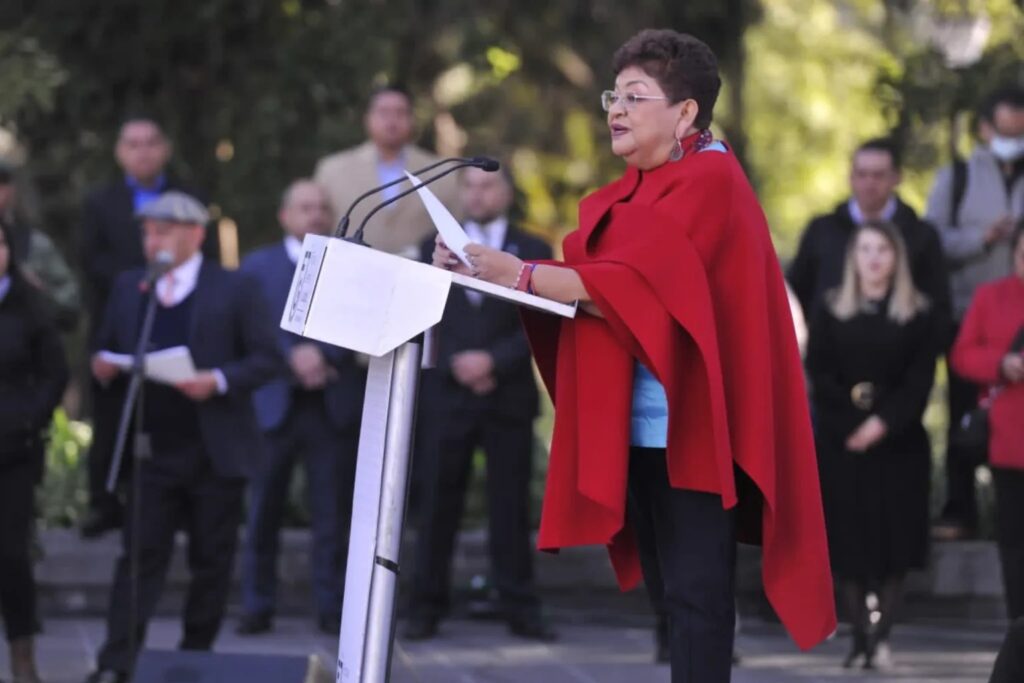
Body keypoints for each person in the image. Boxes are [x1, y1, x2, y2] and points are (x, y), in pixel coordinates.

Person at [433, 29, 836, 681]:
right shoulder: (641, 187)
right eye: (613, 97)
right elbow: (605, 292)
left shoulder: (712, 178)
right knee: (670, 599)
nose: (616, 110)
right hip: (641, 426)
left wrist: (521, 274)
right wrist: (486, 269)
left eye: (635, 97)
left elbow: (638, 289)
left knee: (698, 597)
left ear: (685, 112)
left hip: (697, 426)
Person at [84, 191, 279, 683]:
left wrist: (218, 380)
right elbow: (108, 344)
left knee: (211, 561)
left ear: (195, 234)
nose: (153, 241)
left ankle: (195, 656)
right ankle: (117, 662)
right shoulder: (132, 286)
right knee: (138, 558)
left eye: (164, 231)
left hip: (214, 451)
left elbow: (267, 358)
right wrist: (104, 366)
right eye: (147, 232)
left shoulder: (235, 286)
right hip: (151, 448)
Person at [403, 166, 555, 642]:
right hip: (446, 397)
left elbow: (542, 317)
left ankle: (520, 607)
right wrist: (456, 362)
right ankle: (426, 607)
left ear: (506, 193)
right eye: (469, 186)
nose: (477, 194)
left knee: (509, 507)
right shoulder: (432, 246)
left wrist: (494, 361)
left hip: (507, 395)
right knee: (436, 505)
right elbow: (422, 311)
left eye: (487, 185)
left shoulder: (533, 247)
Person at [79, 116, 219, 539]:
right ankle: (105, 503)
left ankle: (182, 507)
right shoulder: (100, 201)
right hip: (120, 319)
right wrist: (142, 281)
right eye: (133, 143)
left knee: (175, 411)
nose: (143, 151)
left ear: (165, 149)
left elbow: (210, 258)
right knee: (111, 415)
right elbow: (90, 260)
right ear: (120, 152)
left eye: (151, 142)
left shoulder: (192, 197)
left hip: (181, 318)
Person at [806, 221, 937, 670]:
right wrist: (852, 427)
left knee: (894, 543)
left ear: (896, 257)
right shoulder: (830, 309)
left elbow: (919, 380)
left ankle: (882, 636)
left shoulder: (919, 313)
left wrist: (881, 424)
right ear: (853, 257)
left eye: (882, 249)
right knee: (849, 542)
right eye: (865, 249)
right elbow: (819, 373)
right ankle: (859, 634)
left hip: (899, 444)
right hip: (842, 444)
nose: (874, 258)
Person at [236, 180, 365, 636]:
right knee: (261, 513)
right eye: (305, 207)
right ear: (284, 216)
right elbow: (249, 329)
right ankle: (256, 605)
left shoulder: (351, 264)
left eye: (322, 207)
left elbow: (360, 320)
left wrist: (322, 354)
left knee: (332, 515)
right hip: (273, 404)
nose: (315, 214)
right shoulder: (256, 267)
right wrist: (291, 357)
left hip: (330, 404)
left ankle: (332, 608)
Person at [925, 86, 1024, 540]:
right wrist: (983, 239)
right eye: (1006, 132)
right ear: (985, 129)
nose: (1013, 141)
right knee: (966, 414)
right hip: (971, 315)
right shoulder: (958, 177)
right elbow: (932, 242)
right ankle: (960, 510)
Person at [787, 138, 950, 334]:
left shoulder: (921, 236)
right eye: (862, 174)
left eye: (878, 175)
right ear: (851, 177)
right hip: (828, 347)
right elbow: (797, 293)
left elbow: (937, 304)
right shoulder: (821, 231)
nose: (869, 183)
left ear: (896, 178)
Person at [0, 220, 69, 683]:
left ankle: (22, 656)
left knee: (11, 554)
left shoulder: (30, 305)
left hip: (14, 450)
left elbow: (55, 373)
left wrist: (30, 419)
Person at [950, 224, 1024, 622]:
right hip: (1009, 442)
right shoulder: (991, 296)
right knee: (1013, 543)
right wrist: (1001, 363)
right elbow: (963, 355)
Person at [314, 86, 459, 258]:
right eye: (383, 112)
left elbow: (457, 230)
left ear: (412, 119)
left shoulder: (441, 172)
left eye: (400, 113)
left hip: (419, 270)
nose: (392, 121)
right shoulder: (332, 170)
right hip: (349, 267)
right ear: (367, 119)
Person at [0, 160, 81, 330]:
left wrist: (38, 292)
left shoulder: (35, 243)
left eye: (3, 183)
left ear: (12, 189)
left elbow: (70, 305)